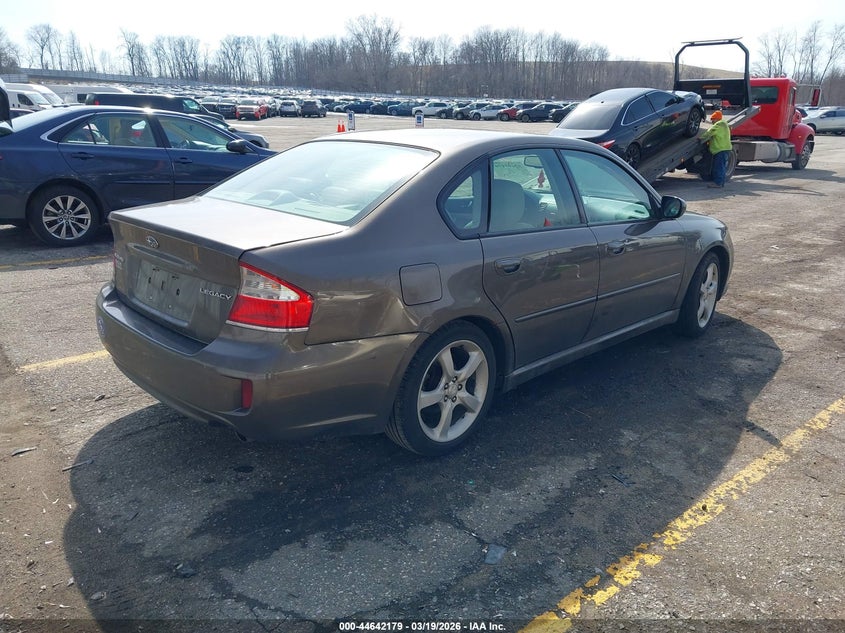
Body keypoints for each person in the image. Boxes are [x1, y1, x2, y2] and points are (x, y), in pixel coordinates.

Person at [701, 110, 732, 188]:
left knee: (718, 167)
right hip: (724, 149)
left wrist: (701, 138)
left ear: (716, 118)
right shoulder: (724, 124)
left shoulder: (719, 124)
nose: (712, 121)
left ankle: (718, 183)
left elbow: (710, 132)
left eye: (713, 119)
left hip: (720, 149)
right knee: (721, 166)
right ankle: (721, 182)